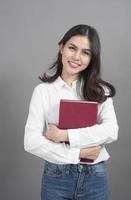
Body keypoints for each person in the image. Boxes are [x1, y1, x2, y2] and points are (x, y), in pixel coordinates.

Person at [24, 24, 119, 200]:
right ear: (62, 47)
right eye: (72, 48)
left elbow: (111, 131)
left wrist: (64, 135)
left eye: (85, 52)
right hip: (57, 178)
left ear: (92, 58)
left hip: (95, 179)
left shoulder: (101, 91)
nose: (76, 57)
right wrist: (78, 154)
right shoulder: (43, 91)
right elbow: (31, 141)